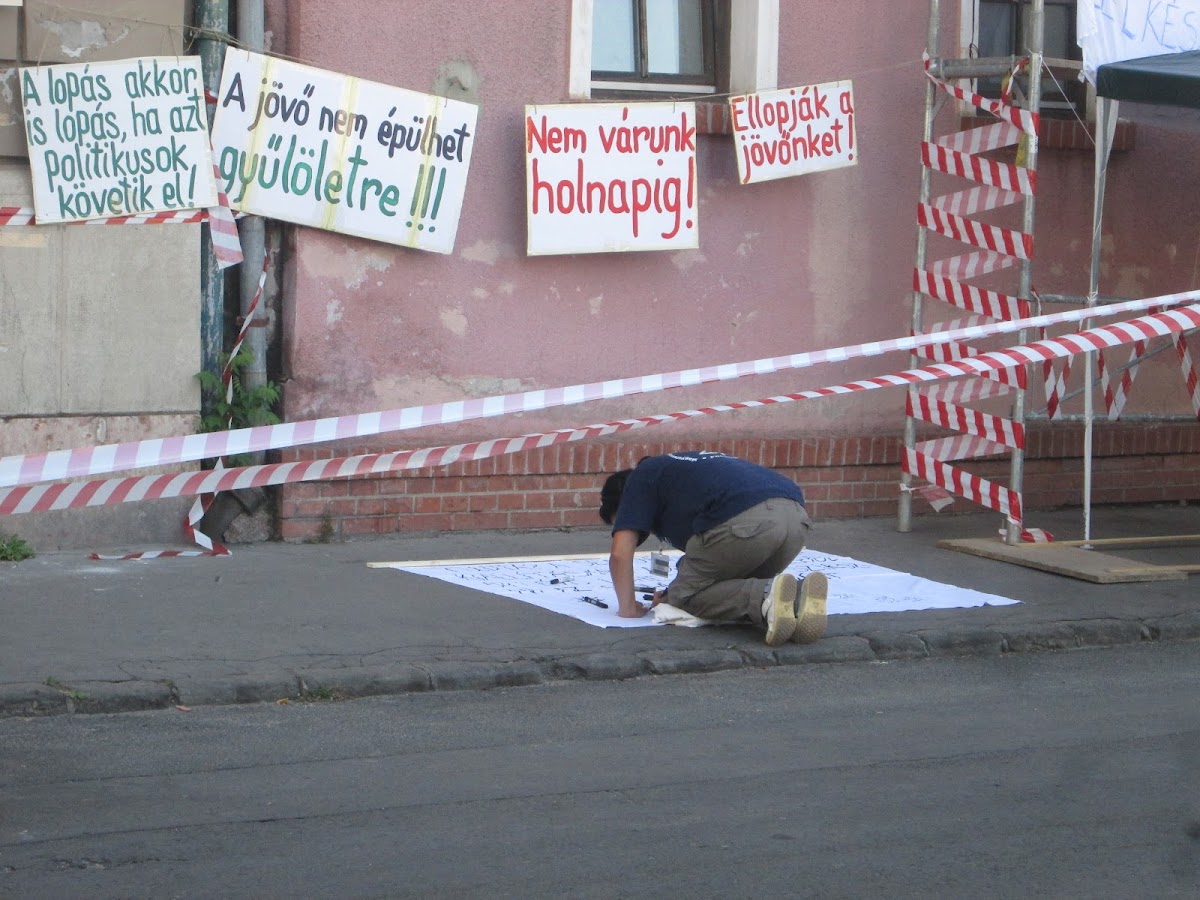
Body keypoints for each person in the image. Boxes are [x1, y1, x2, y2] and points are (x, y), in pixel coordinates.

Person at [598, 450, 827, 646]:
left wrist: (629, 608)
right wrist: (670, 591)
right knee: (725, 587)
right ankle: (797, 600)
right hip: (797, 519)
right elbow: (708, 559)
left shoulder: (641, 477)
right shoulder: (680, 473)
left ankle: (766, 596)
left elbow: (620, 553)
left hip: (747, 523)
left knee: (685, 600)